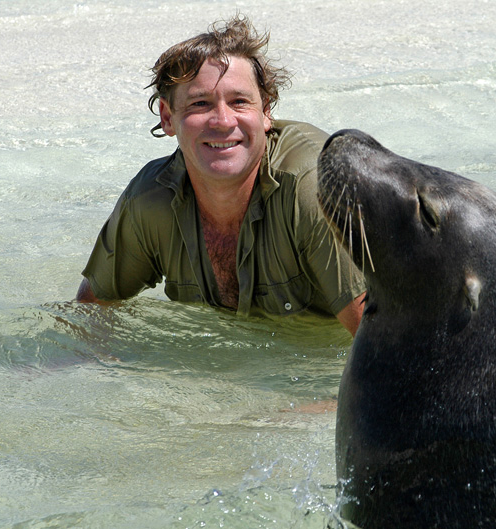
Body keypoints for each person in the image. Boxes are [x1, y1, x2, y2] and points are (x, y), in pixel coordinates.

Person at [76, 16, 366, 335]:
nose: (224, 121)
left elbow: (383, 340)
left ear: (266, 111)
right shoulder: (151, 200)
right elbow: (92, 313)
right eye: (201, 104)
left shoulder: (312, 189)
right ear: (168, 117)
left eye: (239, 101)